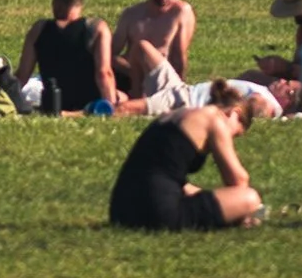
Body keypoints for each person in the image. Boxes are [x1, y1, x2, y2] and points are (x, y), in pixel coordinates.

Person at [107, 86, 264, 230]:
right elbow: (239, 182)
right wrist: (249, 210)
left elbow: (165, 176)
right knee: (250, 198)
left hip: (122, 211)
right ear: (234, 113)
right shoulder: (214, 119)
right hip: (158, 213)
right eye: (235, 134)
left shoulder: (176, 115)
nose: (231, 139)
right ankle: (246, 219)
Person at [18, 0, 117, 114]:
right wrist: (110, 107)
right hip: (89, 103)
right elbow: (104, 73)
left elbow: (22, 75)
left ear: (56, 3)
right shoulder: (97, 28)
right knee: (123, 97)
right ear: (80, 5)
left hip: (53, 103)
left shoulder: (39, 29)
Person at [109, 0, 198, 106]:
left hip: (160, 78)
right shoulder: (131, 15)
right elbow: (110, 53)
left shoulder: (180, 12)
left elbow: (179, 55)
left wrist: (179, 89)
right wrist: (132, 70)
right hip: (129, 77)